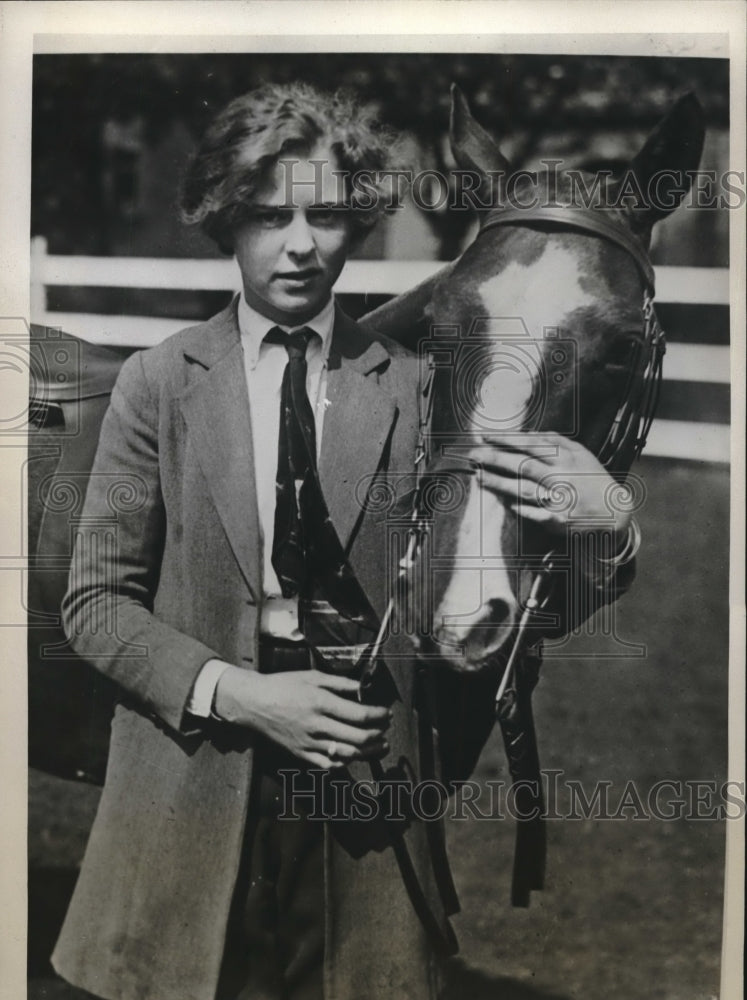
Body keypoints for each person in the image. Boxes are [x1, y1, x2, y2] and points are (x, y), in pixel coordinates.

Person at [52, 82, 636, 1000]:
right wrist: (241, 692)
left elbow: (515, 608)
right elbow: (95, 606)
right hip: (188, 802)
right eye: (267, 213)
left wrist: (610, 533)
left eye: (326, 213)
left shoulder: (419, 389)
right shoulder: (156, 386)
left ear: (359, 221)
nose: (298, 243)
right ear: (222, 218)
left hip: (365, 818)